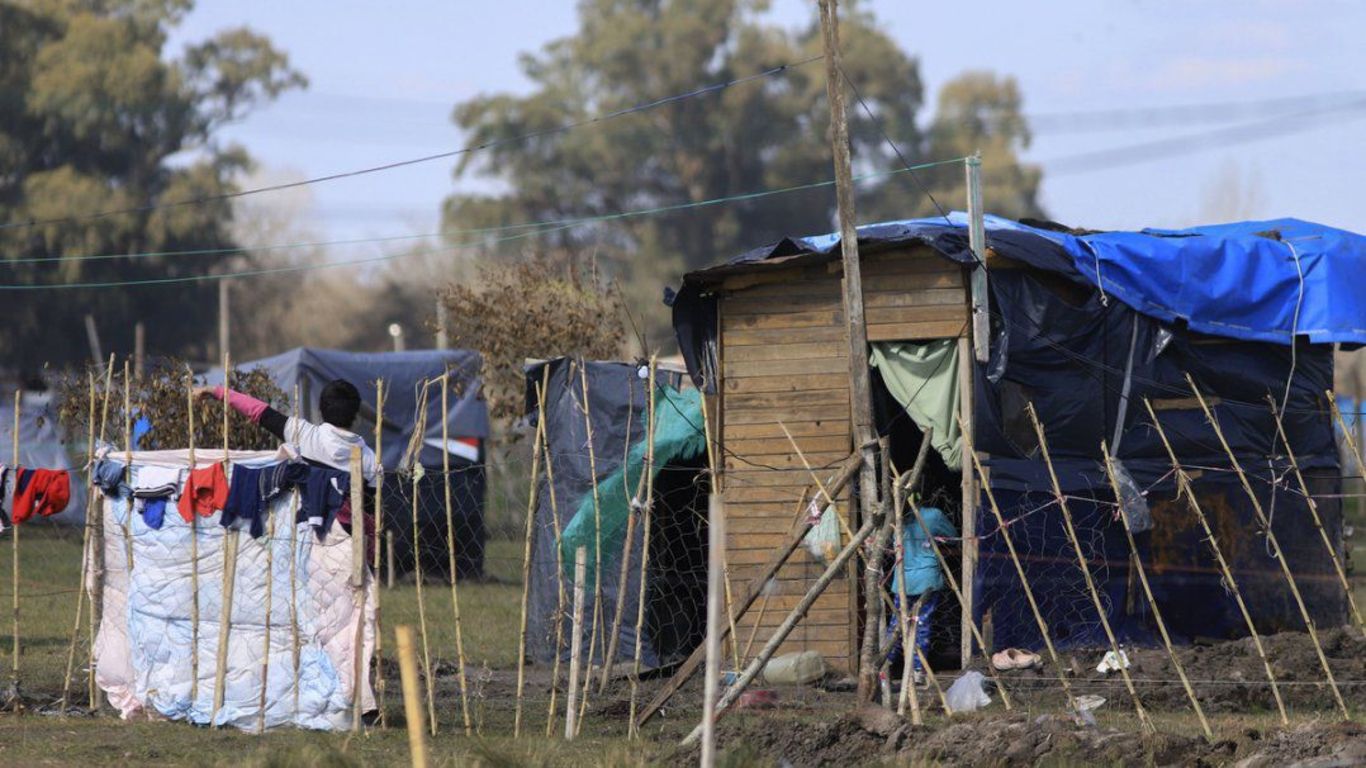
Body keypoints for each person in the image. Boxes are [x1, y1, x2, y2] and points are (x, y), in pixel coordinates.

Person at [195, 379, 377, 484]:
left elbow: (259, 411)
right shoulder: (369, 460)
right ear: (356, 417)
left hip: (310, 540)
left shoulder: (305, 435)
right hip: (354, 542)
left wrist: (215, 391)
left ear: (321, 410)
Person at [885, 503, 955, 683]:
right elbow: (953, 535)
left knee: (896, 626)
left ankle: (885, 667)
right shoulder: (933, 515)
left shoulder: (894, 517)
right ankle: (917, 671)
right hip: (926, 580)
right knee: (921, 624)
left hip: (903, 580)